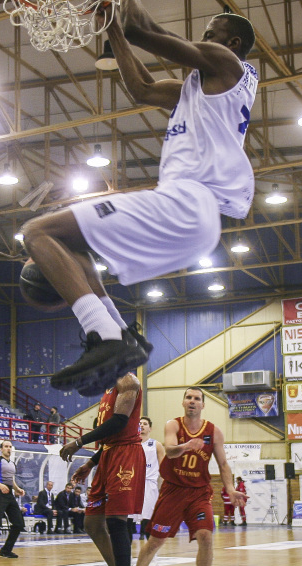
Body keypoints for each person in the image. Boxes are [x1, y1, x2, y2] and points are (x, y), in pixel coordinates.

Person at [19, 7, 257, 396]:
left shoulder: (225, 64)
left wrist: (117, 10)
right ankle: (116, 334)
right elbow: (142, 88)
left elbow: (143, 29)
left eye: (211, 33)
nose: (203, 38)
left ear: (232, 44)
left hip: (186, 203)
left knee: (37, 232)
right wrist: (111, 27)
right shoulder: (196, 91)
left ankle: (106, 336)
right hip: (194, 215)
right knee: (69, 240)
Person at [130, 387, 241, 566]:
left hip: (199, 493)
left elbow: (223, 464)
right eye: (189, 397)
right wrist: (186, 446)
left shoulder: (214, 432)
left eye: (197, 398)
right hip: (173, 491)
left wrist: (230, 488)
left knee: (206, 537)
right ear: (183, 403)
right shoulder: (174, 425)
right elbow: (170, 451)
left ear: (202, 405)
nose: (192, 401)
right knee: (155, 541)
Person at [62, 373, 146, 566]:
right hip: (108, 456)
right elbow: (109, 438)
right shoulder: (108, 389)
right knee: (92, 524)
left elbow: (119, 422)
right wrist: (90, 462)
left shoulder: (128, 382)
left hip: (126, 457)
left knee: (117, 522)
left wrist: (79, 442)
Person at [134, 417, 163, 540]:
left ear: (150, 428)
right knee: (129, 518)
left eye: (145, 424)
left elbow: (163, 469)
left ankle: (150, 550)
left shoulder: (156, 444)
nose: (142, 425)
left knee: (148, 516)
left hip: (149, 484)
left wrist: (162, 488)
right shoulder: (130, 444)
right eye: (140, 423)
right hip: (133, 483)